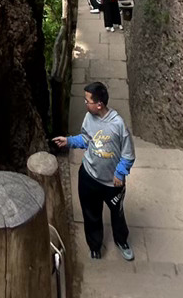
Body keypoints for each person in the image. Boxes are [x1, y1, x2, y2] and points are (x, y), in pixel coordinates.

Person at [53, 81, 135, 261]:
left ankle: (121, 241)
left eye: (87, 100)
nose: (85, 103)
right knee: (91, 214)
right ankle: (95, 245)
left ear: (99, 104)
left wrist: (120, 173)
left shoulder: (118, 125)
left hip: (112, 183)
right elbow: (86, 138)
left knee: (117, 213)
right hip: (88, 176)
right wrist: (69, 141)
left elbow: (128, 154)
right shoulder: (89, 118)